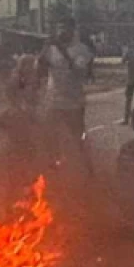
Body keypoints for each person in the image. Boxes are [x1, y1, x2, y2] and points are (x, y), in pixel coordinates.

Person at [37, 16, 94, 162]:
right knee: (49, 135)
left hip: (73, 102)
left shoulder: (81, 49)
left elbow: (78, 71)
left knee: (77, 138)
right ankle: (54, 166)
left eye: (65, 28)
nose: (61, 31)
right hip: (53, 100)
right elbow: (40, 68)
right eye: (59, 28)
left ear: (72, 30)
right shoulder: (51, 49)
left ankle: (86, 168)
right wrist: (44, 50)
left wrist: (62, 50)